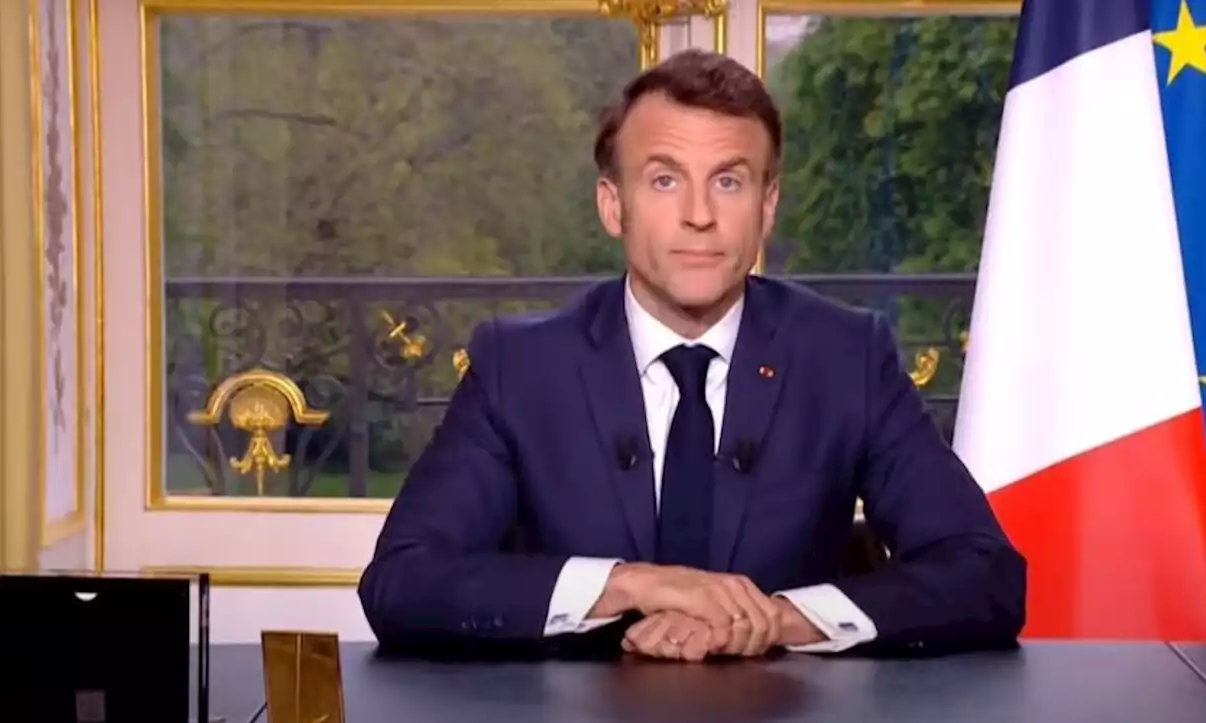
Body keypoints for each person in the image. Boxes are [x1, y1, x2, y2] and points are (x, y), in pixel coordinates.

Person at [358, 48, 1026, 662]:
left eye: (729, 183)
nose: (700, 215)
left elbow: (985, 572)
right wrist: (631, 585)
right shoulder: (521, 367)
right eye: (665, 180)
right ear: (612, 204)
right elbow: (403, 578)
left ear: (767, 207)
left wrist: (780, 617)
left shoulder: (845, 358)